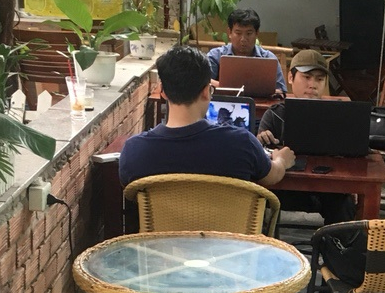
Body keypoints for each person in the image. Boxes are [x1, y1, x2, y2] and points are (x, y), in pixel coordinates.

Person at [119, 45, 294, 189]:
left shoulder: (134, 150)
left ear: (163, 92)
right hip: (225, 224)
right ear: (206, 91)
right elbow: (272, 176)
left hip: (162, 224)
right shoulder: (242, 143)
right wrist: (281, 160)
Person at [257, 49, 355, 226]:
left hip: (327, 188)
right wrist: (262, 140)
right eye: (307, 77)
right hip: (283, 187)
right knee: (256, 195)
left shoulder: (338, 116)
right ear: (291, 77)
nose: (313, 85)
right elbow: (261, 157)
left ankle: (335, 243)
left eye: (319, 79)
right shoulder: (275, 114)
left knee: (344, 203)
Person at [207, 8, 286, 97]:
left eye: (248, 34)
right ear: (229, 32)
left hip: (260, 104)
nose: (243, 39)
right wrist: (232, 88)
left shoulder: (269, 59)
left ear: (257, 33)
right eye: (238, 33)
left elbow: (281, 91)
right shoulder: (215, 56)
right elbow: (203, 82)